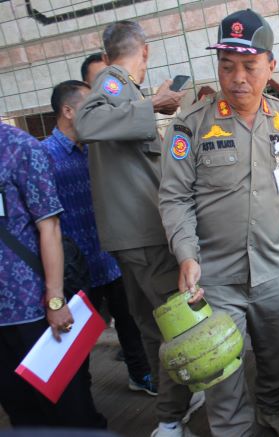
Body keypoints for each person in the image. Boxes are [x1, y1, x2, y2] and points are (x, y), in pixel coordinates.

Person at [159, 9, 279, 437]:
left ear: (271, 65)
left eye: (249, 66)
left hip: (272, 268)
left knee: (278, 352)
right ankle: (235, 430)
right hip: (214, 274)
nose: (238, 77)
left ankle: (273, 408)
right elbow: (174, 198)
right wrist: (186, 256)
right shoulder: (191, 125)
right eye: (227, 66)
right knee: (221, 368)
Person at [74, 21, 204, 437]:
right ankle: (171, 417)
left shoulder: (127, 93)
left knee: (152, 327)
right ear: (144, 52)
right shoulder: (114, 82)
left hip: (132, 236)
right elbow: (88, 124)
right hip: (145, 235)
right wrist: (152, 104)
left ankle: (176, 401)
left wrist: (152, 104)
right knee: (177, 325)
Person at [42, 80, 156, 396]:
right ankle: (79, 393)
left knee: (131, 321)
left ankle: (141, 374)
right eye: (89, 105)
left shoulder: (99, 148)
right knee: (74, 336)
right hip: (73, 266)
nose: (97, 113)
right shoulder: (43, 156)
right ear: (67, 111)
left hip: (112, 255)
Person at [0, 121, 106, 429]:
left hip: (31, 307)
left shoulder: (20, 148)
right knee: (19, 409)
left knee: (69, 408)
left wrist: (56, 300)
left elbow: (50, 226)